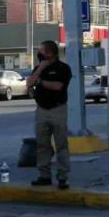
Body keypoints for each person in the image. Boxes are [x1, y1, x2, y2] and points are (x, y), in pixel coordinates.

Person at [27, 40, 72, 189]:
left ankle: (62, 177)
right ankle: (44, 175)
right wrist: (40, 69)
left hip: (58, 110)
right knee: (42, 145)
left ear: (50, 53)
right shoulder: (39, 68)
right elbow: (29, 83)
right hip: (41, 110)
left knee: (61, 145)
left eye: (41, 51)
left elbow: (58, 86)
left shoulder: (63, 68)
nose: (39, 54)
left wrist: (41, 82)